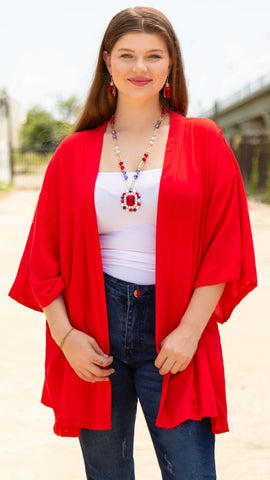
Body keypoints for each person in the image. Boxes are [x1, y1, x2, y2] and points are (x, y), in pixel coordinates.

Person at [9, 6, 257, 480]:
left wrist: (189, 332)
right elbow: (44, 259)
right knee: (107, 474)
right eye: (127, 54)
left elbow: (226, 247)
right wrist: (66, 338)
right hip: (91, 326)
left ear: (171, 65)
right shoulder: (72, 152)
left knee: (192, 471)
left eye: (153, 55)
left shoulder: (204, 141)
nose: (139, 67)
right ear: (107, 62)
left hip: (176, 327)